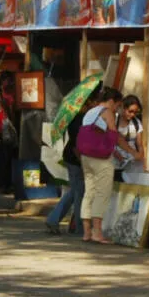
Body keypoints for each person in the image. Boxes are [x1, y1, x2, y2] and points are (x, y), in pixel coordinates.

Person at [45, 91, 97, 236]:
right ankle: (75, 226)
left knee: (76, 191)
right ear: (88, 103)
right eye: (93, 102)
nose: (95, 105)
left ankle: (56, 220)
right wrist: (83, 162)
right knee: (78, 192)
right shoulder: (79, 120)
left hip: (74, 158)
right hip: (75, 160)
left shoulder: (81, 118)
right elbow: (76, 144)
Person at [78, 87, 122, 244]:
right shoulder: (107, 112)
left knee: (89, 192)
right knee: (102, 193)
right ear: (111, 101)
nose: (116, 110)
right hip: (100, 159)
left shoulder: (90, 112)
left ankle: (86, 232)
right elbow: (113, 133)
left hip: (86, 157)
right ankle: (97, 233)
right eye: (117, 105)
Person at [114, 94, 144, 176]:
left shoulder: (136, 123)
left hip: (131, 165)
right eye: (130, 111)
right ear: (124, 107)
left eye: (135, 112)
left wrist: (140, 156)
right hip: (115, 164)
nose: (132, 115)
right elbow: (108, 142)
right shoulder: (114, 120)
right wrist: (120, 157)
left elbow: (139, 144)